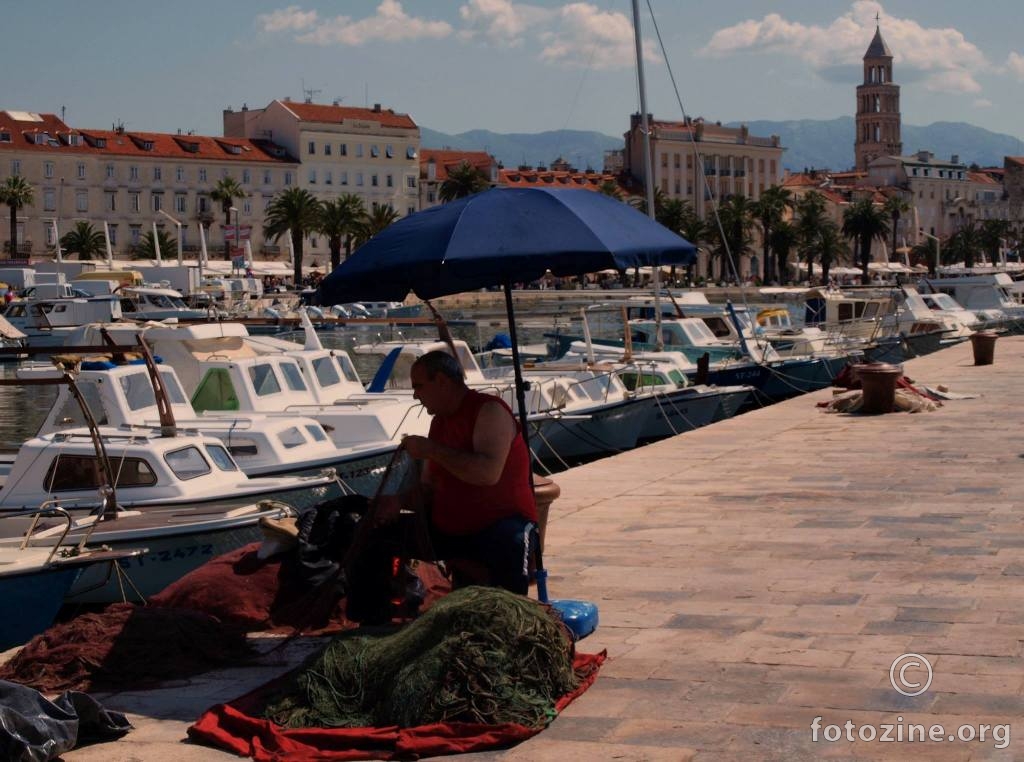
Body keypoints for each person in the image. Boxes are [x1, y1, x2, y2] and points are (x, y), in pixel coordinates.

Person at [398, 350, 539, 594]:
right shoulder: (439, 422)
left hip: (500, 526)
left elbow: (486, 473)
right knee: (378, 533)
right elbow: (429, 488)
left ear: (441, 381)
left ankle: (506, 619)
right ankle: (378, 613)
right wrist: (393, 504)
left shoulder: (489, 411)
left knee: (510, 543)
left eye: (419, 386)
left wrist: (432, 450)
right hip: (450, 529)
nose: (415, 395)